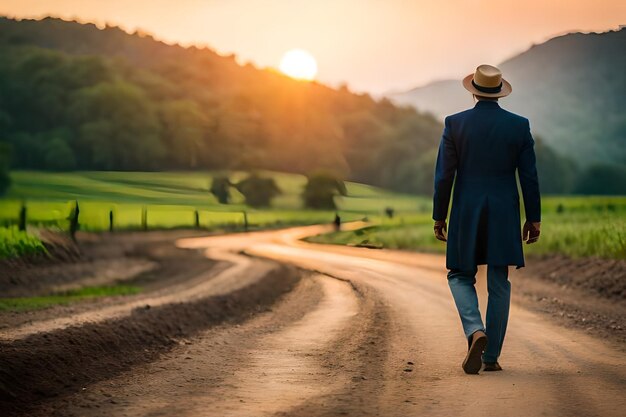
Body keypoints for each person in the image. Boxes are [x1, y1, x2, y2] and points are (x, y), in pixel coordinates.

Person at [432, 64, 541, 374]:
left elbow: (444, 176)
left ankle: (474, 329)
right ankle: (491, 356)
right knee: (499, 281)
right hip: (505, 210)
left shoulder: (455, 124)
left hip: (466, 208)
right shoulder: (519, 126)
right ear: (499, 93)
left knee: (459, 274)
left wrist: (439, 216)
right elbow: (529, 176)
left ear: (474, 91)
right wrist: (534, 218)